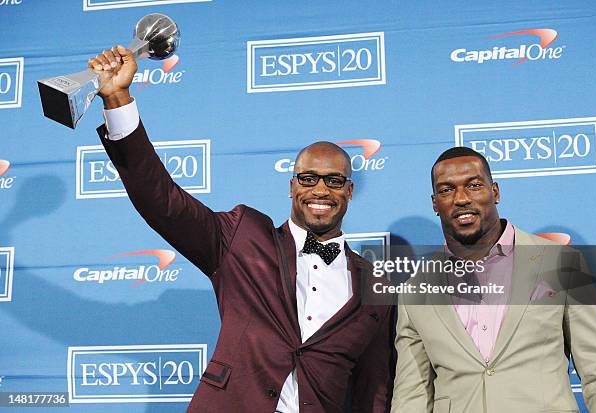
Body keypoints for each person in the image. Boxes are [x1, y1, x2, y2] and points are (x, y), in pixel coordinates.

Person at [88, 46, 394, 413]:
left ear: (349, 191)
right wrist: (119, 99)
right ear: (292, 186)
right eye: (308, 178)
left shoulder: (375, 286)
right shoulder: (243, 236)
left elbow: (374, 389)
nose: (320, 190)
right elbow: (163, 202)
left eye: (333, 180)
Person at [391, 147, 596, 413]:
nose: (461, 199)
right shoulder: (416, 288)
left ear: (495, 192)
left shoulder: (561, 262)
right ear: (435, 203)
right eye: (447, 190)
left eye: (474, 185)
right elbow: (411, 393)